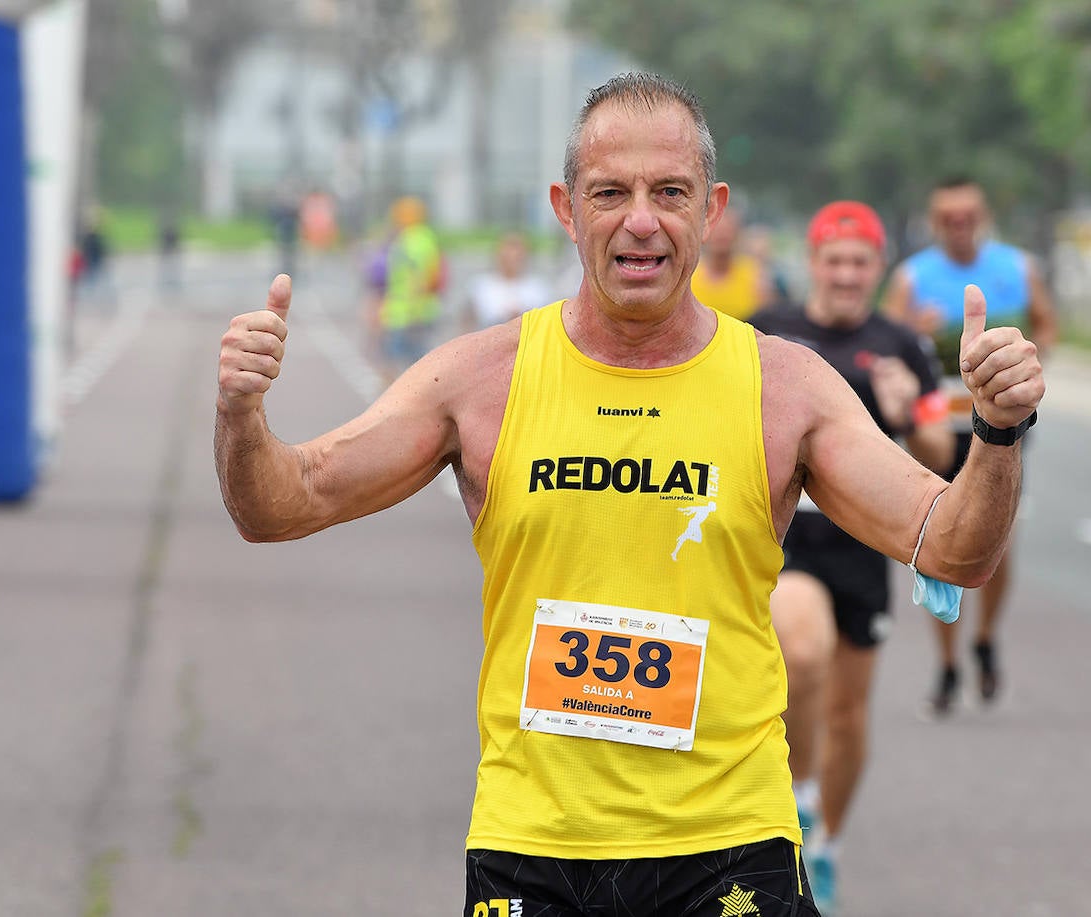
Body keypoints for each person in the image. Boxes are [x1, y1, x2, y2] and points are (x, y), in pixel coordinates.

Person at [216, 73, 1044, 916]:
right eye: (610, 192)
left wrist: (999, 431)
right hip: (534, 846)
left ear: (711, 209)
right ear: (566, 208)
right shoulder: (480, 379)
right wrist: (241, 413)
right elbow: (283, 501)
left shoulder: (784, 387)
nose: (640, 221)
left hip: (730, 844)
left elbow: (952, 546)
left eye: (670, 193)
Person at [750, 200, 955, 912]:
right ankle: (799, 800)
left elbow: (940, 455)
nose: (844, 275)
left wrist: (906, 412)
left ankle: (827, 846)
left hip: (864, 541)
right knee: (801, 651)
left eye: (858, 262)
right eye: (833, 261)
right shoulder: (765, 331)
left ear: (876, 269)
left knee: (847, 711)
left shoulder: (901, 343)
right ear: (813, 263)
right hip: (787, 536)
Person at [882, 174, 1059, 717]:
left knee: (999, 541)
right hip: (939, 424)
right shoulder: (912, 278)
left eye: (968, 218)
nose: (959, 229)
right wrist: (911, 328)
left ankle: (983, 640)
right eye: (948, 220)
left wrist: (1023, 371)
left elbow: (1048, 328)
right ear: (934, 223)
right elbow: (884, 343)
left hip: (1002, 420)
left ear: (983, 218)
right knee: (935, 540)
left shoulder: (1018, 268)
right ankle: (947, 661)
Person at [371, 195, 444, 379]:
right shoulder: (427, 239)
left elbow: (415, 279)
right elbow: (433, 276)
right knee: (419, 365)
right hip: (422, 310)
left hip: (406, 313)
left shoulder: (408, 242)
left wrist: (411, 310)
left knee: (396, 365)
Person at [690, 207, 769, 320]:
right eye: (718, 230)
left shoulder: (755, 274)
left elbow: (766, 319)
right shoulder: (690, 275)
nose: (722, 236)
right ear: (705, 232)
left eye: (727, 231)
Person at [465, 231, 551, 329]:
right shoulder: (481, 286)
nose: (512, 258)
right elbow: (469, 322)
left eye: (517, 255)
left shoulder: (538, 288)